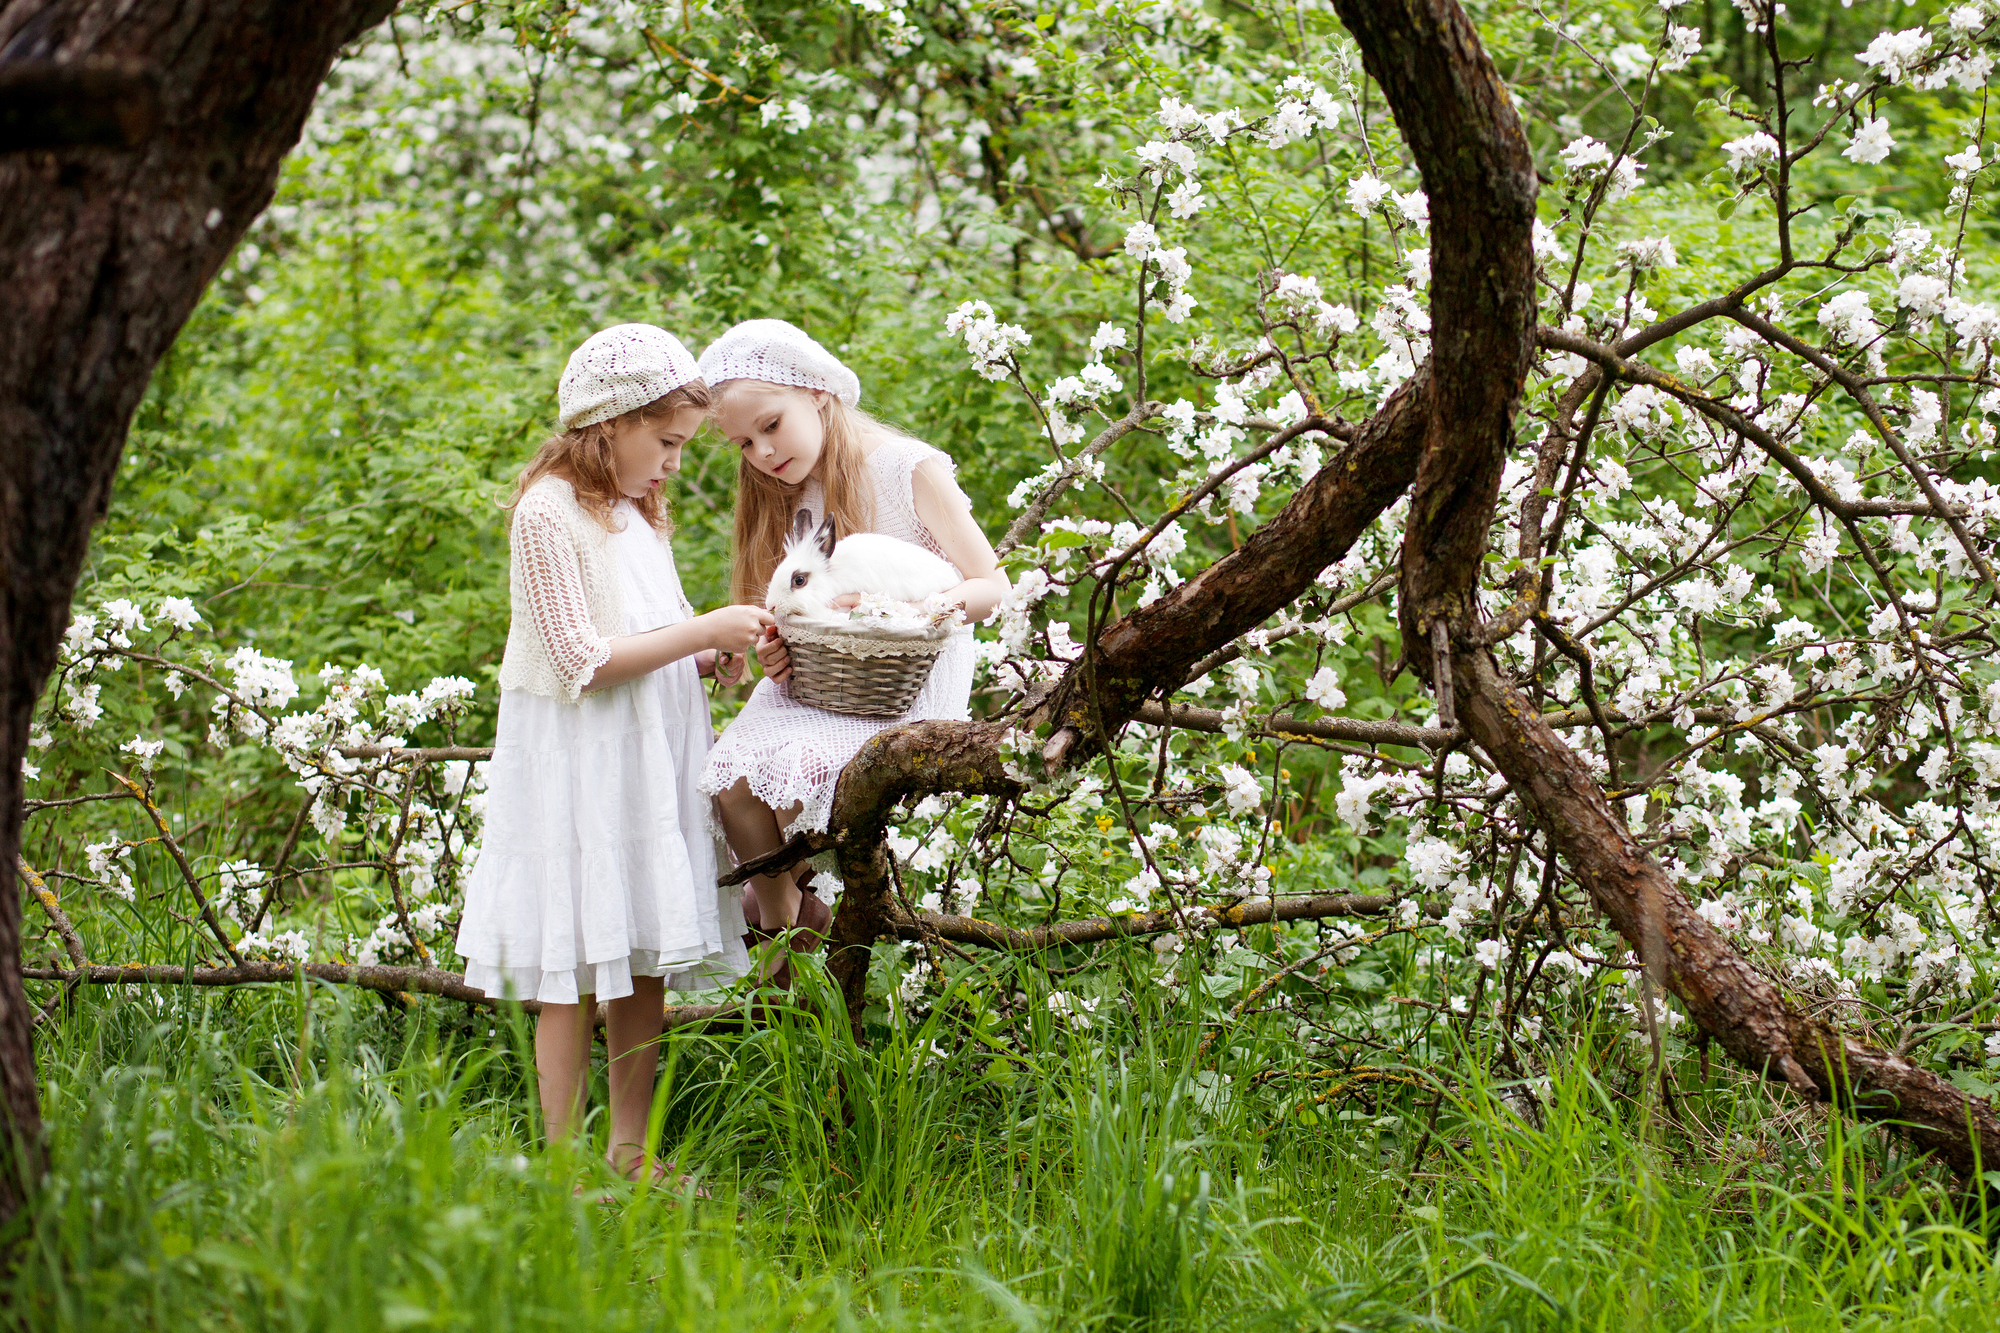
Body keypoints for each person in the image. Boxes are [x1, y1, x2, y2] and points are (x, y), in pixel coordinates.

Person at [455, 324, 772, 1179]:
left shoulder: (636, 513)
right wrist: (700, 628)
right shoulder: (546, 514)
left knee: (641, 954)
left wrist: (705, 651)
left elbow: (644, 633)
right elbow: (580, 660)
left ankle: (630, 1147)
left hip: (645, 759)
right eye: (665, 442)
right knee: (572, 957)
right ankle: (560, 1159)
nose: (674, 463)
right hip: (581, 764)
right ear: (609, 425)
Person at [697, 320, 1008, 984]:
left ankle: (786, 923)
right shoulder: (786, 496)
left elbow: (991, 583)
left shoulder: (904, 468)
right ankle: (786, 923)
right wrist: (773, 656)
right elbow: (790, 616)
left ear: (817, 392)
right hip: (820, 680)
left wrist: (912, 614)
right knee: (729, 778)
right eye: (744, 442)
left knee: (797, 769)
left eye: (771, 425)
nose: (761, 451)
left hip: (910, 674)